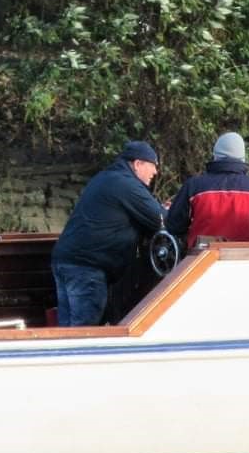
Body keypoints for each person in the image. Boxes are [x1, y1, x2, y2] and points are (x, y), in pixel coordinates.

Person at [49, 140, 164, 326]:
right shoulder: (126, 184)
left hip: (67, 260)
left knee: (67, 329)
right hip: (87, 267)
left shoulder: (106, 177)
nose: (155, 172)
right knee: (84, 330)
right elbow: (161, 219)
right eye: (153, 166)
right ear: (138, 164)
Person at [165, 131, 249, 246]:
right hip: (248, 260)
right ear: (243, 159)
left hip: (202, 260)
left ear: (215, 156)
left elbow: (174, 227)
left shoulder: (193, 187)